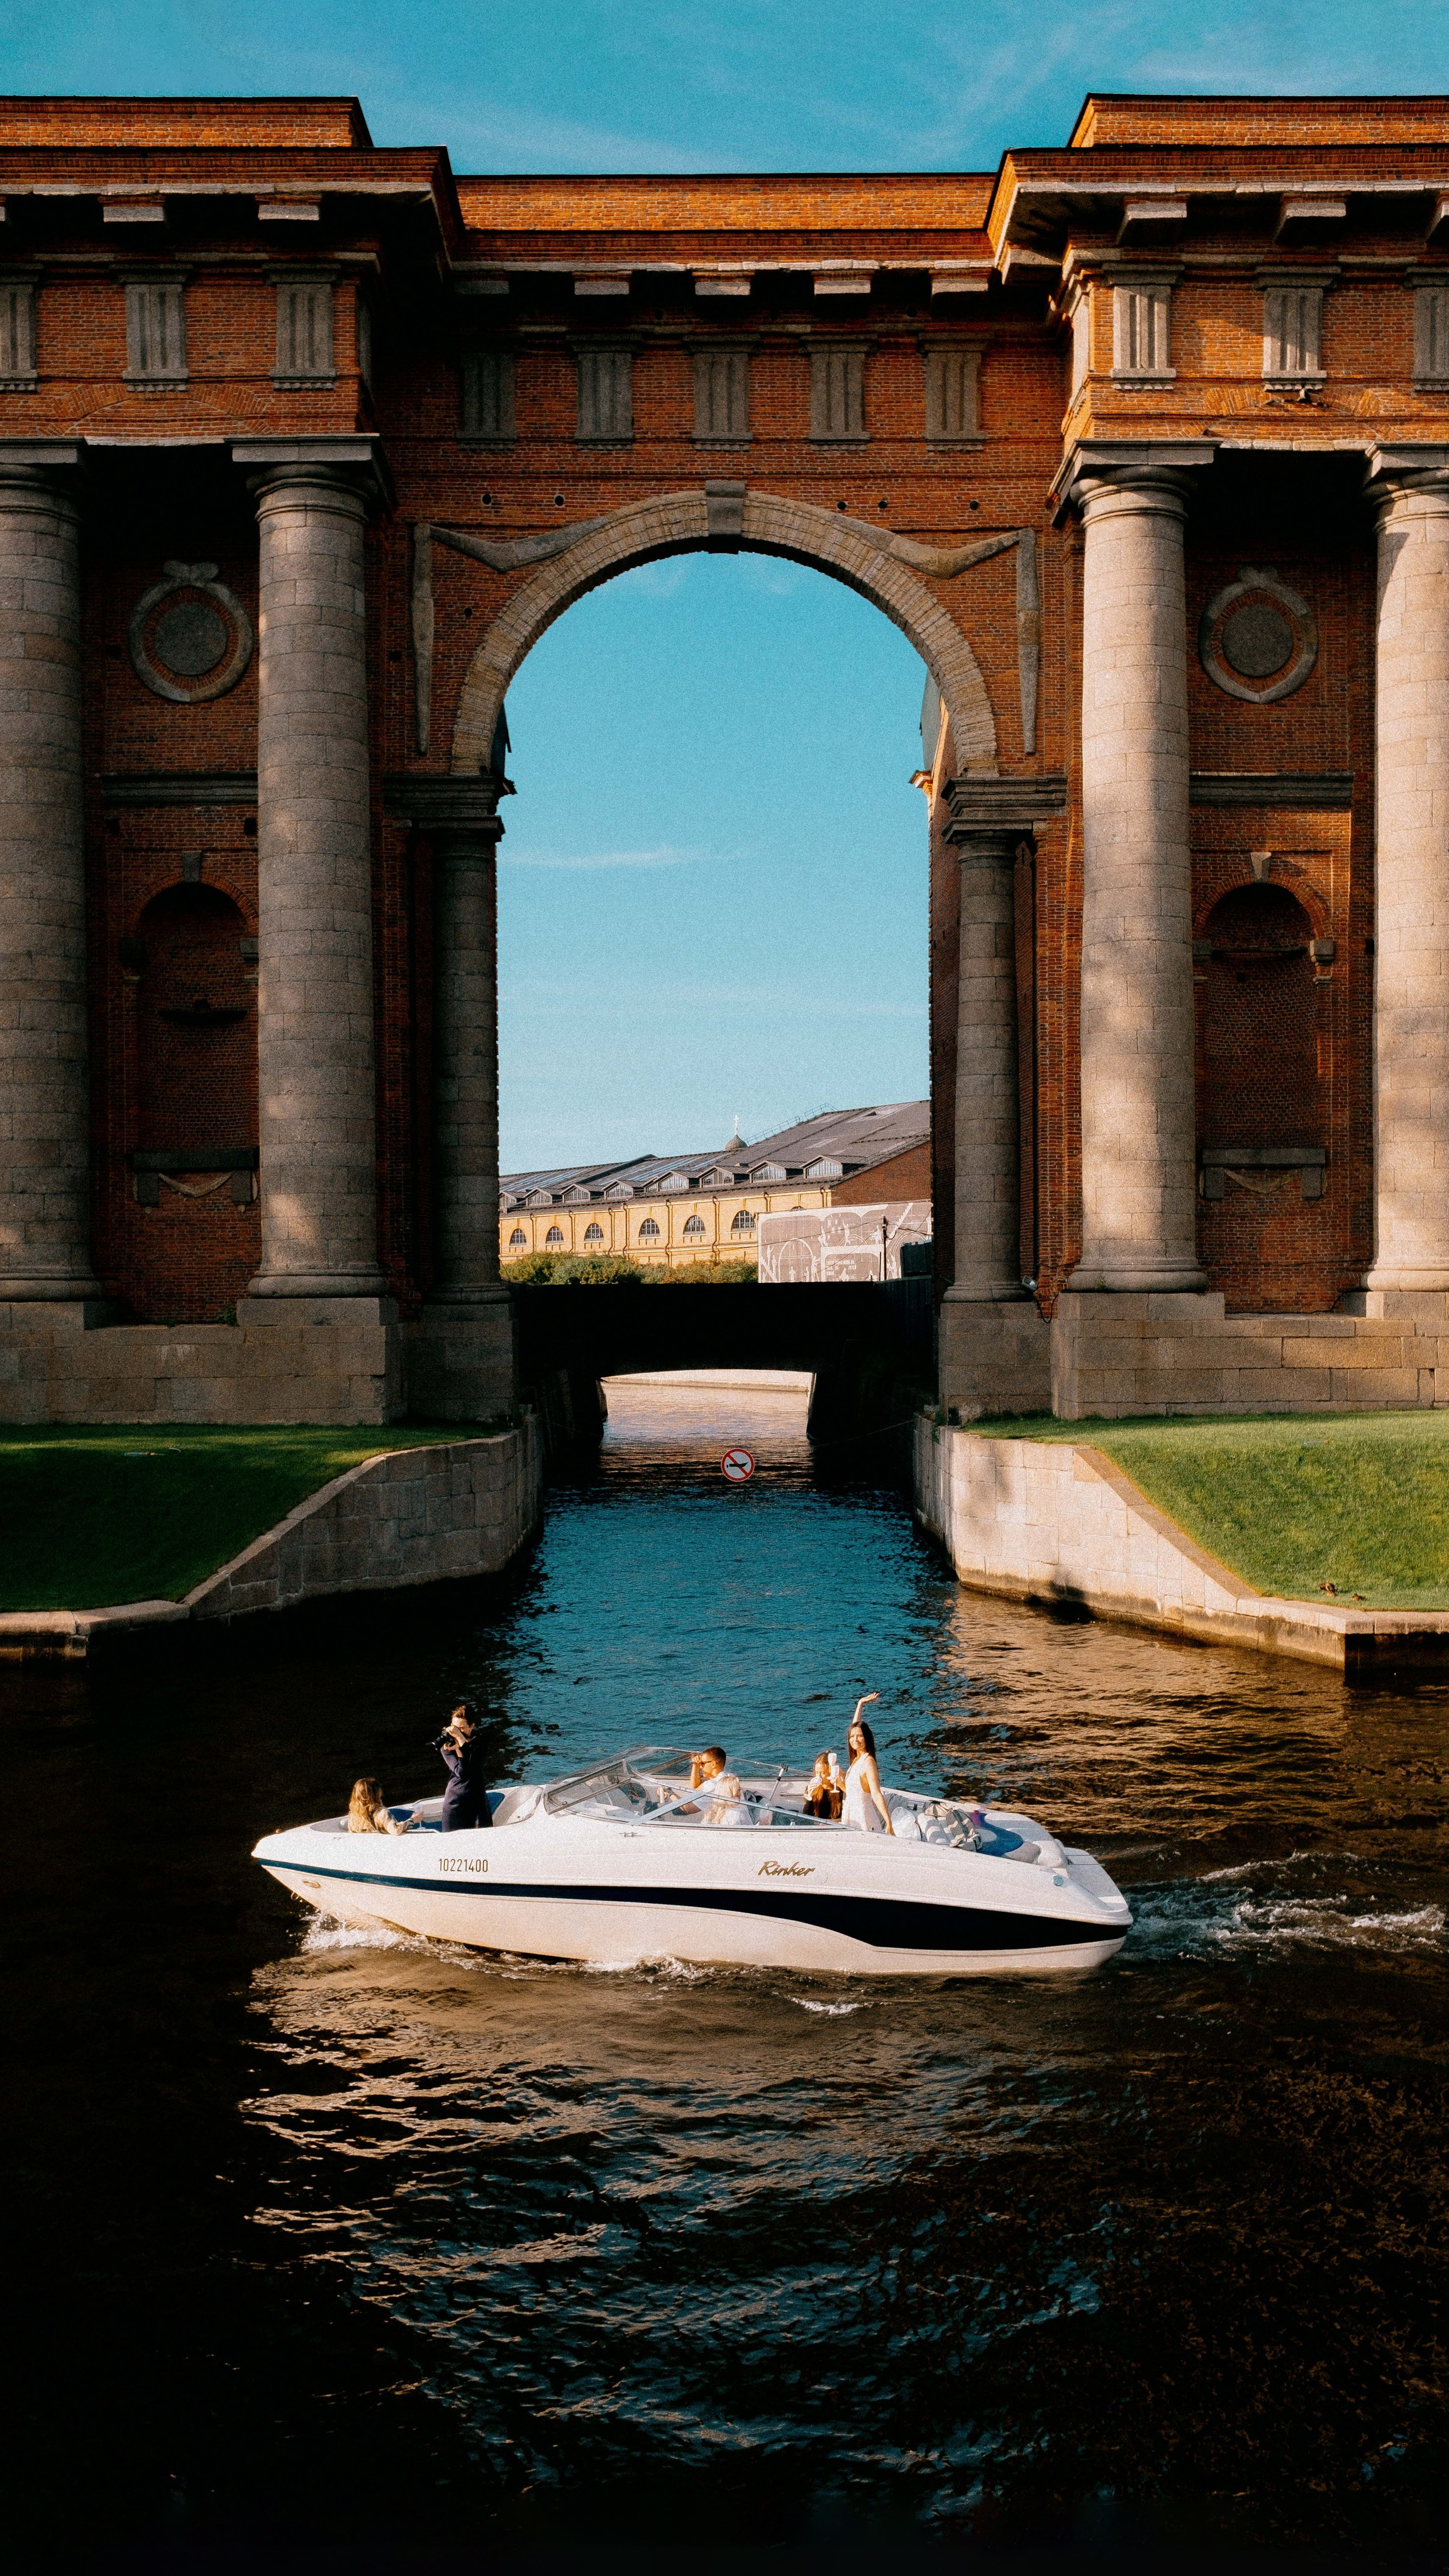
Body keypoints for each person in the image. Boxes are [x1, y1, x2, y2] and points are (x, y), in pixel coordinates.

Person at [438, 1700, 494, 1832]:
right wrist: (458, 1747)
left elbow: (472, 1766)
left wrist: (462, 1742)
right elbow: (462, 1773)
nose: (457, 1732)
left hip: (477, 1800)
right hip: (456, 1801)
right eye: (455, 1728)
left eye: (462, 1729)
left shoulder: (480, 1743)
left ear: (472, 1726)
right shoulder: (447, 1747)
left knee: (483, 1843)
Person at [843, 1696, 894, 1835]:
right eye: (852, 1737)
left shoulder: (868, 1762)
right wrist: (860, 1704)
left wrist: (888, 1822)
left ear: (867, 1737)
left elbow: (876, 1793)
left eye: (860, 1736)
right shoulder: (856, 1759)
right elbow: (855, 1727)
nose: (855, 1740)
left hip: (863, 1819)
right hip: (850, 1815)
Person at [690, 1744, 745, 1824]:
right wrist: (696, 1766)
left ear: (713, 1764)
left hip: (722, 1827)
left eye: (702, 1764)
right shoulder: (728, 1776)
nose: (700, 1767)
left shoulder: (713, 1785)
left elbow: (685, 1809)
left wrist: (669, 1793)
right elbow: (696, 1788)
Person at [347, 1776, 416, 1836]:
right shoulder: (381, 1813)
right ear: (376, 1793)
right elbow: (396, 1830)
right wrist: (413, 1820)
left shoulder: (353, 1815)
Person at [803, 1752, 844, 1821]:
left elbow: (843, 1816)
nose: (819, 1776)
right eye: (817, 1773)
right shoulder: (813, 1788)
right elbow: (806, 1816)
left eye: (823, 1773)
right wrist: (809, 1797)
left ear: (830, 1772)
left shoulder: (839, 1789)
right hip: (817, 1826)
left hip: (835, 1826)